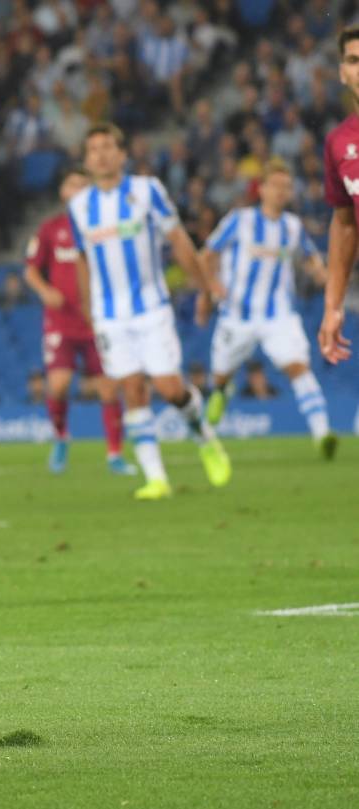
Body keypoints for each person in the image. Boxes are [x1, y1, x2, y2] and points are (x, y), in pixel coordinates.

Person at [69, 124, 231, 500]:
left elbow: (178, 240)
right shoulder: (79, 206)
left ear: (122, 154)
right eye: (93, 149)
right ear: (87, 160)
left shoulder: (147, 191)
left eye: (108, 146)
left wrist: (204, 287)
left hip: (151, 308)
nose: (101, 154)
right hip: (110, 315)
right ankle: (156, 478)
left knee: (169, 388)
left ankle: (204, 436)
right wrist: (88, 309)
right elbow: (82, 260)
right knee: (132, 389)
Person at [198, 162, 336, 458]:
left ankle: (322, 433)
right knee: (220, 374)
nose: (280, 191)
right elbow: (208, 253)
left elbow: (310, 257)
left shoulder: (293, 226)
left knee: (297, 366)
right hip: (237, 314)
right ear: (261, 189)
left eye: (286, 186)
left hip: (278, 315)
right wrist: (212, 287)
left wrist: (321, 274)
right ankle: (220, 391)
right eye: (274, 185)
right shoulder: (240, 220)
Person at [24, 168, 137, 476]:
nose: (77, 190)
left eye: (83, 185)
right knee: (58, 386)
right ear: (63, 191)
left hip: (98, 321)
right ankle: (61, 436)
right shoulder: (50, 229)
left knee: (109, 390)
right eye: (72, 184)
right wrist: (45, 291)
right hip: (61, 322)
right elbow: (30, 269)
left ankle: (115, 454)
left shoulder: (103, 227)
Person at [317, 25, 359, 369]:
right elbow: (345, 225)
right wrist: (332, 305)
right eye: (354, 60)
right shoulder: (338, 142)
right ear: (343, 73)